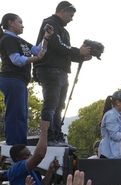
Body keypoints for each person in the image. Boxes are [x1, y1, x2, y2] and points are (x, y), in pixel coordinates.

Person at [34, 1, 92, 145]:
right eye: (71, 15)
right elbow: (56, 45)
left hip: (61, 71)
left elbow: (66, 52)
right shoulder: (49, 23)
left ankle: (56, 135)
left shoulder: (64, 31)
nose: (72, 18)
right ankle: (49, 137)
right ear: (63, 10)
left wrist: (82, 56)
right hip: (49, 69)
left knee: (59, 105)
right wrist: (78, 51)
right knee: (51, 104)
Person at [0, 13, 52, 145]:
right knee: (16, 113)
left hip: (20, 81)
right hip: (11, 78)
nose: (23, 25)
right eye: (20, 22)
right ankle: (14, 145)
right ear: (11, 23)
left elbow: (37, 50)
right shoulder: (7, 39)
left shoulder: (20, 41)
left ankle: (20, 145)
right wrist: (35, 59)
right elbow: (16, 60)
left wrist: (46, 37)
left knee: (22, 114)